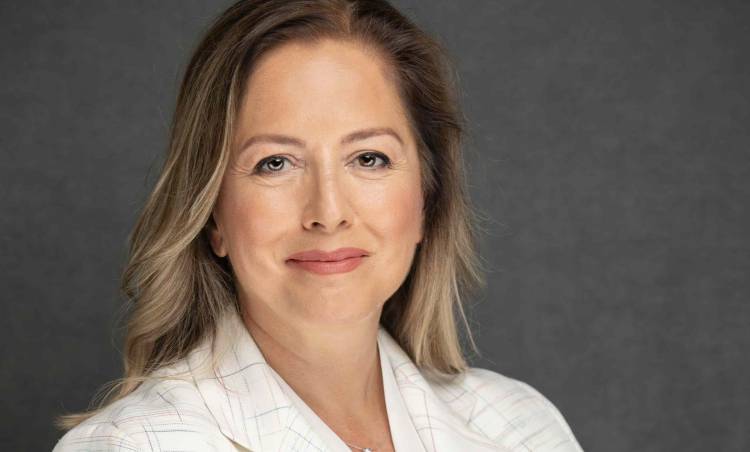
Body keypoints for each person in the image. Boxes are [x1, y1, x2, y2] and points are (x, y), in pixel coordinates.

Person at [52, 0, 583, 451]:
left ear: (427, 197)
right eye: (274, 163)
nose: (328, 213)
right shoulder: (137, 444)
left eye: (369, 158)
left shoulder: (517, 427)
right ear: (212, 214)